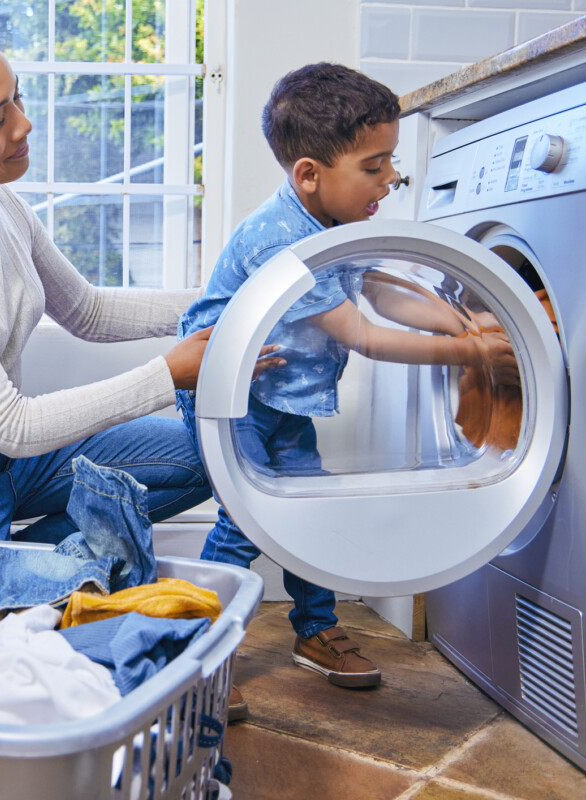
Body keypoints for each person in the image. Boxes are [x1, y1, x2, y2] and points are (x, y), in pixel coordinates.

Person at [0, 19, 283, 563]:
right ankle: (27, 572)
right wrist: (169, 376)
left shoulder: (0, 205)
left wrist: (232, 298)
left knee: (214, 458)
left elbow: (88, 311)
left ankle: (34, 566)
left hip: (12, 456)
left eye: (17, 100)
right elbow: (13, 423)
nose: (24, 126)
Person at [175, 63, 516, 713]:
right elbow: (361, 332)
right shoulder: (282, 236)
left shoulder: (337, 224)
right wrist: (469, 348)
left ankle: (315, 631)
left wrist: (458, 316)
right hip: (227, 394)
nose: (390, 178)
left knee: (309, 506)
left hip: (282, 395)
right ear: (309, 174)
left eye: (390, 162)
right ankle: (199, 657)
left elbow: (381, 290)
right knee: (248, 520)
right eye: (374, 165)